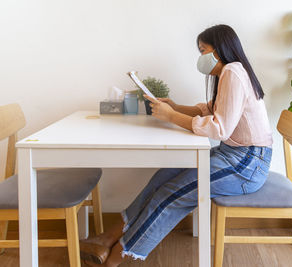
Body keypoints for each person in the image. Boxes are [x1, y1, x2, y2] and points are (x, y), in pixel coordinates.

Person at [80, 24, 273, 267]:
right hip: (234, 156)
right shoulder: (230, 72)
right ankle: (105, 239)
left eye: (203, 50)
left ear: (220, 49)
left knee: (171, 195)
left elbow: (218, 128)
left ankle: (116, 257)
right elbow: (209, 110)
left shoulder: (233, 72)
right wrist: (174, 107)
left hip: (246, 164)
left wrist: (171, 116)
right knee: (165, 175)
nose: (200, 57)